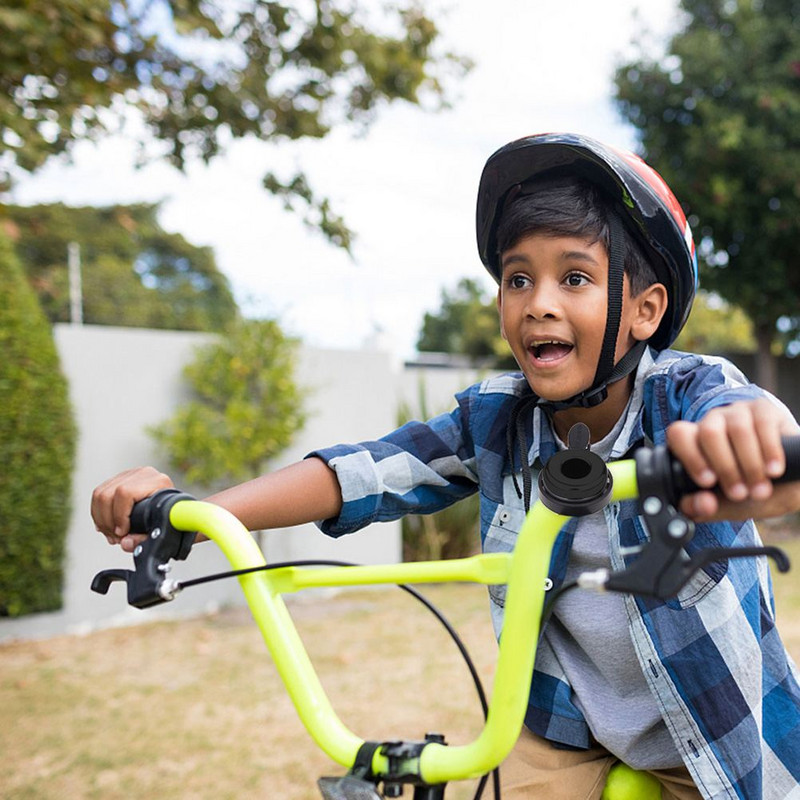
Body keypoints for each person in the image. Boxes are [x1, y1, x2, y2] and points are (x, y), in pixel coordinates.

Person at [92, 133, 800, 799]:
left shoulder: (687, 398)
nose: (538, 304)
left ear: (645, 310)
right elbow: (366, 472)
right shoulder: (493, 419)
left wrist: (747, 446)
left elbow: (755, 425)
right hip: (564, 727)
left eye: (574, 277)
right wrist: (200, 509)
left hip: (712, 735)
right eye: (517, 278)